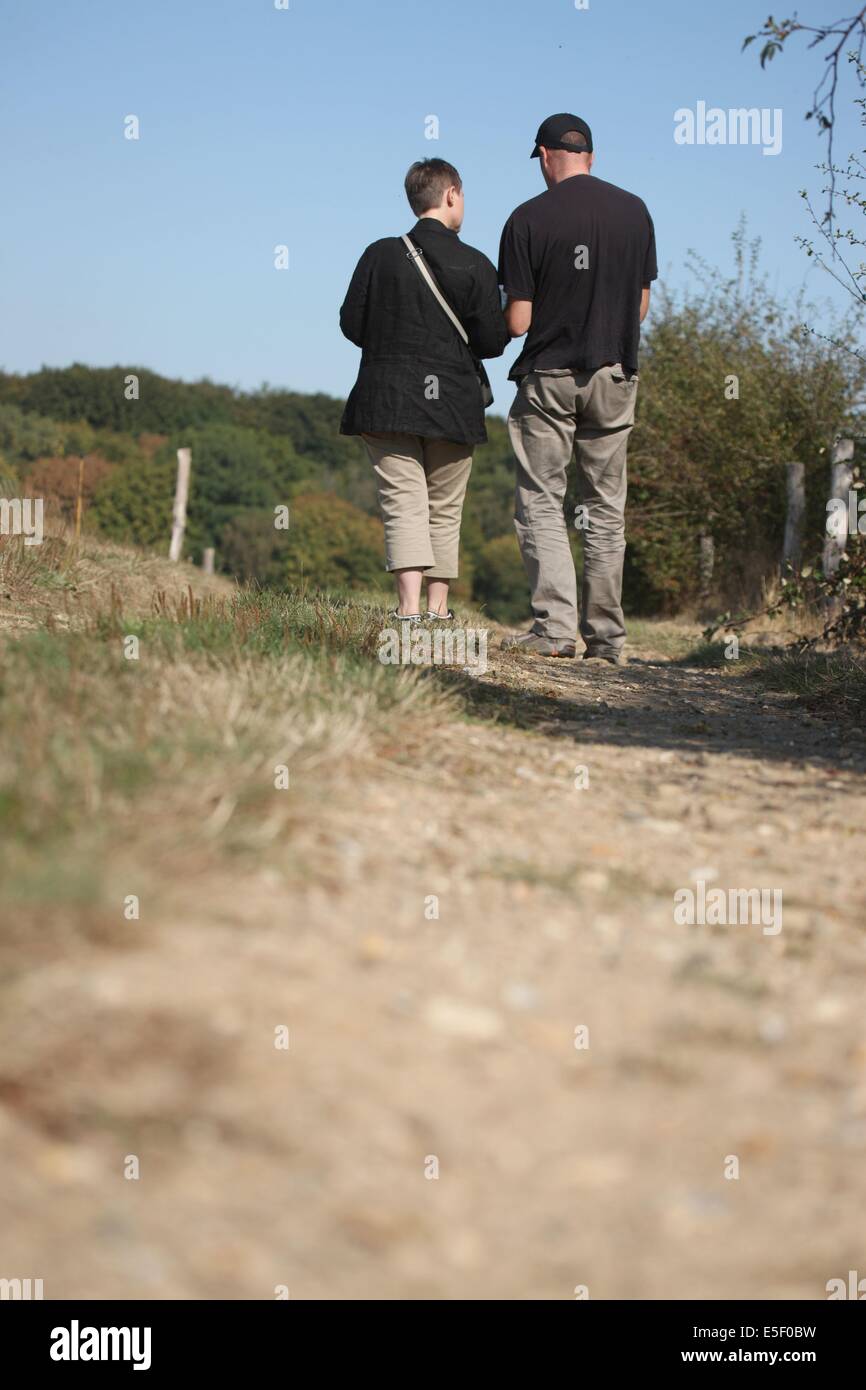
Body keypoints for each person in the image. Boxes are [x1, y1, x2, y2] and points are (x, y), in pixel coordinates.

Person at [498, 114, 657, 662]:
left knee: (543, 502)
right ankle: (608, 639)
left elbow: (518, 321)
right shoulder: (634, 212)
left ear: (544, 155)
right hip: (614, 372)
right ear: (590, 155)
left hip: (550, 376)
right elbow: (640, 305)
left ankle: (555, 630)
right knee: (604, 508)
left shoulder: (526, 219)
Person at [339, 158, 508, 623]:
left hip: (386, 398)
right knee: (443, 508)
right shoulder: (476, 264)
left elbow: (351, 323)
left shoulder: (379, 254)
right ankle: (438, 609)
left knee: (403, 503)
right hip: (453, 404)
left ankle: (407, 610)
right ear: (451, 194)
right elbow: (493, 343)